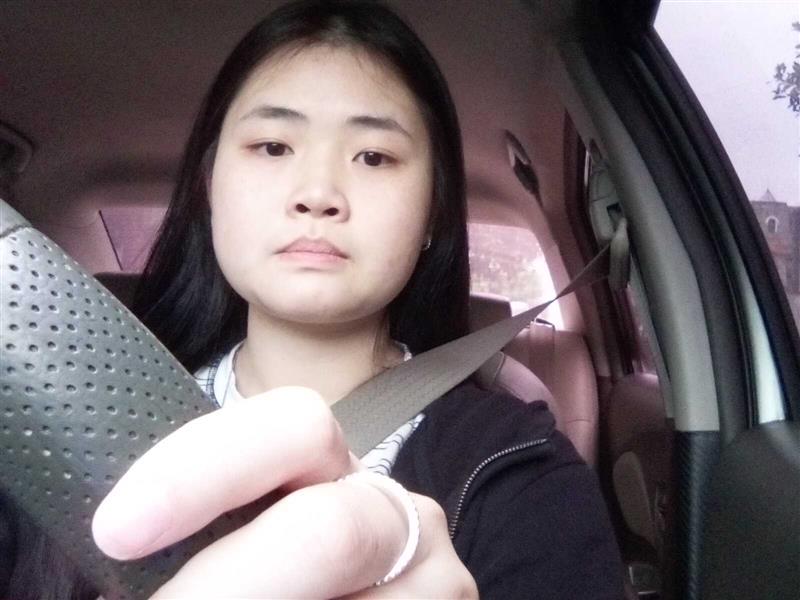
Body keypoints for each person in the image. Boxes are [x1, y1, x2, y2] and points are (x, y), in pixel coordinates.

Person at [2, 1, 624, 598]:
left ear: (433, 213)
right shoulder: (64, 418)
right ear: (209, 186)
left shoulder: (520, 473)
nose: (318, 193)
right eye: (273, 147)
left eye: (374, 156)